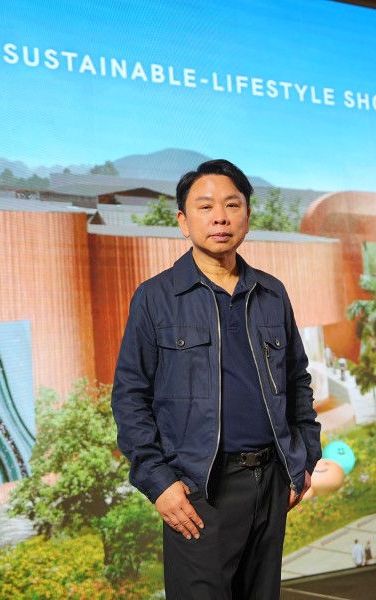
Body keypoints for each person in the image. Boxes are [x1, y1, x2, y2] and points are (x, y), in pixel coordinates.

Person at [111, 159, 321, 599]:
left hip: (271, 481)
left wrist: (304, 461)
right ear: (183, 222)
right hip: (199, 491)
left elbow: (297, 382)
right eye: (205, 207)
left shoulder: (272, 293)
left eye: (232, 205)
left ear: (247, 215)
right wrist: (159, 483)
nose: (220, 217)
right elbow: (130, 398)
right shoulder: (156, 297)